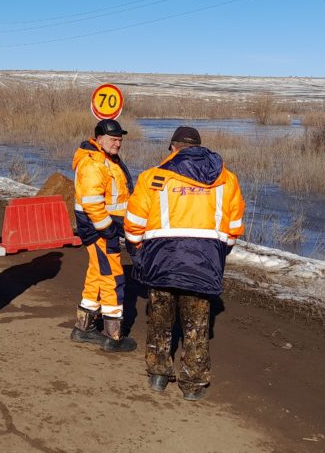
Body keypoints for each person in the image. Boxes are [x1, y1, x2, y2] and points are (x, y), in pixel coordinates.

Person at [124, 126, 245, 401]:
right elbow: (234, 227)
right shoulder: (227, 179)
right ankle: (193, 386)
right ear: (200, 148)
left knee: (159, 321)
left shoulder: (152, 178)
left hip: (160, 263)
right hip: (203, 264)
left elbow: (133, 227)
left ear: (172, 147)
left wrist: (140, 255)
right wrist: (216, 254)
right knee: (196, 326)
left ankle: (158, 375)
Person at [70, 118, 136, 352]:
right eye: (113, 139)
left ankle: (83, 327)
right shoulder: (93, 163)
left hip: (102, 226)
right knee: (112, 276)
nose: (118, 143)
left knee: (97, 275)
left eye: (120, 140)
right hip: (98, 228)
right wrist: (107, 228)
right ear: (99, 138)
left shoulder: (105, 159)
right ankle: (112, 335)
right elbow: (92, 202)